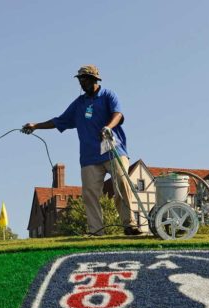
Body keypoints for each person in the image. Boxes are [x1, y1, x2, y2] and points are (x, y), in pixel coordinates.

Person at [22, 64, 140, 236]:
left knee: (122, 184)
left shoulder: (108, 95)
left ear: (94, 79)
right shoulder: (79, 104)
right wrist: (36, 126)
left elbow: (118, 114)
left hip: (113, 151)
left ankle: (129, 224)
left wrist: (108, 127)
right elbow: (59, 120)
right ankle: (96, 231)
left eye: (84, 79)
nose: (81, 83)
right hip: (89, 157)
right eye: (80, 80)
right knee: (89, 194)